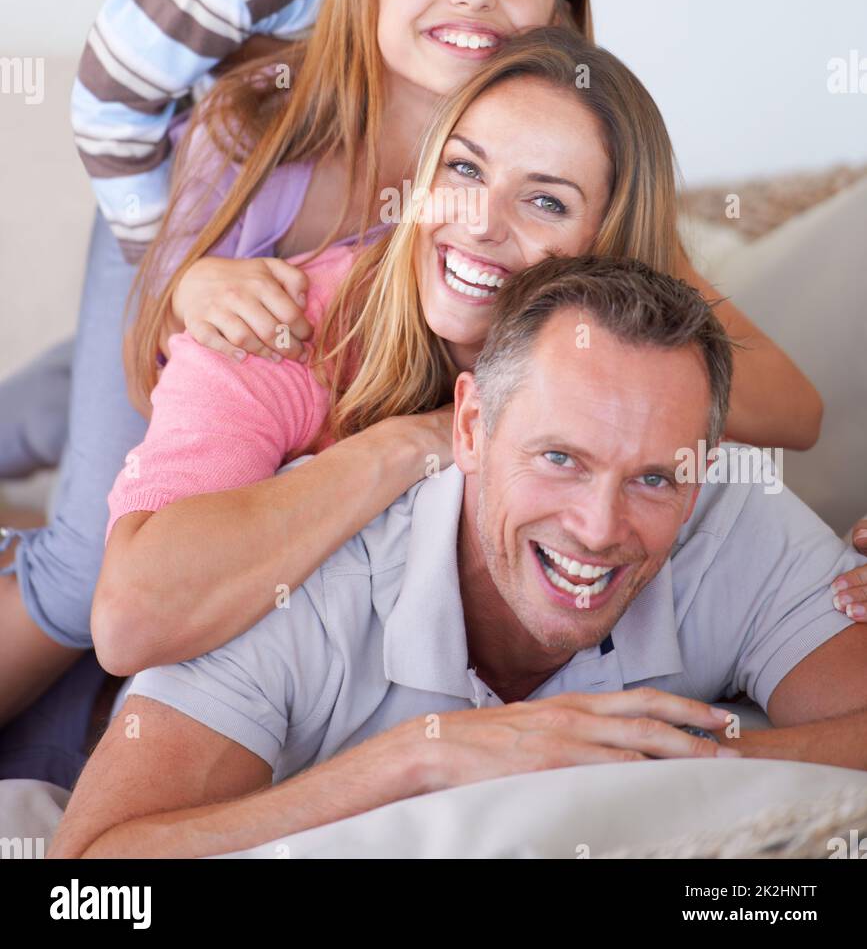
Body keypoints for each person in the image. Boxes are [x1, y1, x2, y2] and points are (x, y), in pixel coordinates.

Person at [48, 256, 867, 859]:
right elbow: (87, 875)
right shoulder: (296, 573)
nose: (596, 526)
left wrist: (645, 762)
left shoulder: (732, 522)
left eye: (653, 478)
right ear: (469, 428)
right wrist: (419, 759)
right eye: (559, 459)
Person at [91, 27, 829, 677]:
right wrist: (406, 443)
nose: (478, 224)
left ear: (606, 247)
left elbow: (796, 418)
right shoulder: (282, 327)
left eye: (546, 201)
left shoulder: (633, 384)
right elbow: (128, 623)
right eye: (465, 169)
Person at [0, 0, 423, 724]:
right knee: (87, 561)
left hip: (302, 236)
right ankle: (65, 415)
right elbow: (106, 112)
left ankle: (51, 399)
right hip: (166, 227)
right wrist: (174, 276)